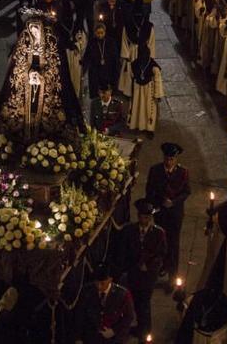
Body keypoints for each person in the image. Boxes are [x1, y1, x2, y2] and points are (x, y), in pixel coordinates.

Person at [145, 142, 191, 280]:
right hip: (161, 213)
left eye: (171, 159)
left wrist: (174, 202)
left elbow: (186, 192)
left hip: (175, 214)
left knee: (174, 243)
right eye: (167, 159)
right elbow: (149, 190)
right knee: (160, 241)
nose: (169, 162)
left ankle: (173, 275)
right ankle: (163, 266)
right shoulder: (155, 170)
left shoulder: (183, 173)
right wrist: (154, 206)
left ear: (176, 159)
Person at [123, 199, 166, 341]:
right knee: (135, 300)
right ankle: (140, 327)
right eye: (142, 217)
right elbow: (126, 251)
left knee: (145, 302)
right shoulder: (130, 230)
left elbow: (161, 253)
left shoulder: (158, 233)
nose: (144, 220)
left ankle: (146, 331)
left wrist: (150, 265)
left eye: (147, 217)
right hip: (134, 273)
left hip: (148, 275)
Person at [75, 264, 135, 344]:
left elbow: (129, 317)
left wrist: (114, 331)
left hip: (113, 339)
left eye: (102, 283)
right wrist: (79, 337)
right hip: (91, 337)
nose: (99, 287)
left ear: (110, 279)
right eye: (97, 283)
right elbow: (80, 314)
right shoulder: (87, 291)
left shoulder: (122, 294)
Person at [126, 46, 164, 133]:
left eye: (145, 54)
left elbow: (157, 80)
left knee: (148, 110)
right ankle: (136, 125)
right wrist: (129, 92)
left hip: (149, 90)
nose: (143, 56)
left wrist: (157, 94)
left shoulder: (153, 67)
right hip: (137, 90)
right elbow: (130, 78)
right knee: (137, 108)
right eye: (141, 54)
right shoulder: (134, 64)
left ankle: (149, 129)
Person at [83, 23, 120, 100]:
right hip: (96, 71)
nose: (100, 35)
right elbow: (87, 56)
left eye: (101, 33)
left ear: (105, 32)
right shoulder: (92, 43)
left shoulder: (111, 42)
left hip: (108, 69)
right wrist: (83, 64)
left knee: (108, 95)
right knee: (97, 98)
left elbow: (115, 57)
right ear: (95, 33)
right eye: (98, 33)